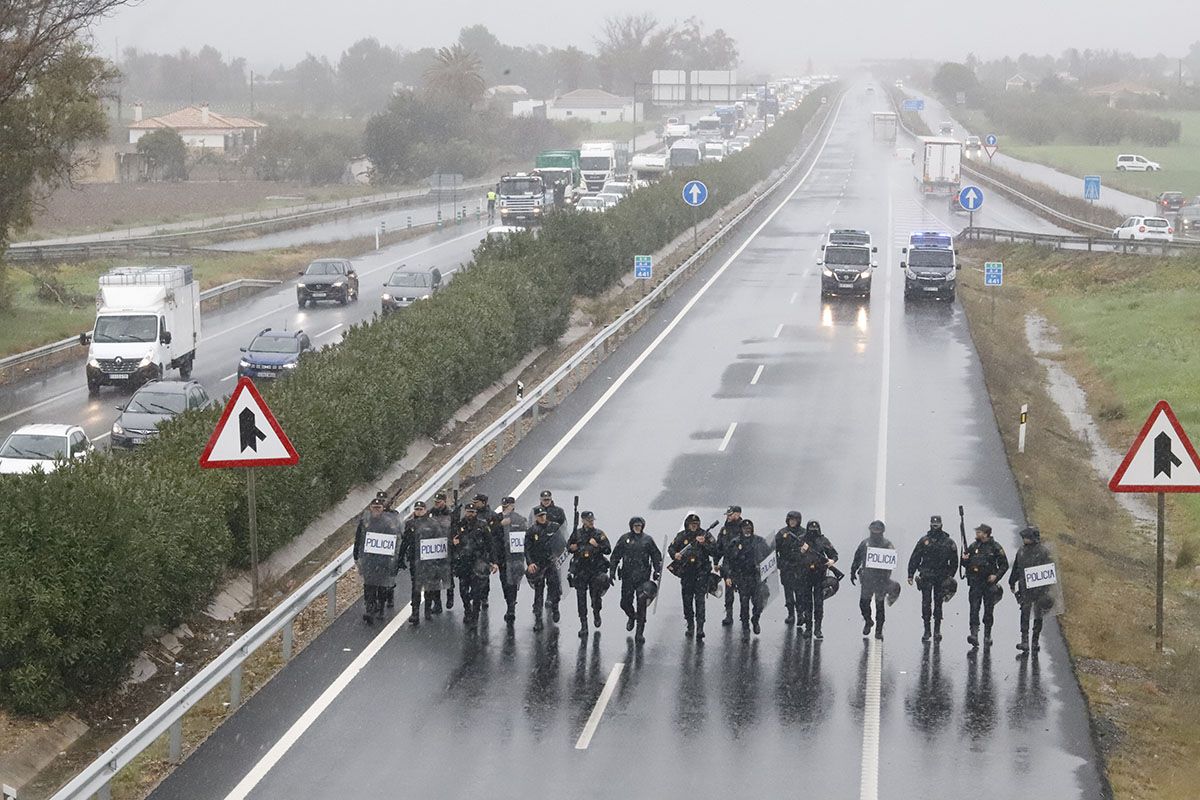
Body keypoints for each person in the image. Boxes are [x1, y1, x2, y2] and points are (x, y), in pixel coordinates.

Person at [609, 517, 663, 644]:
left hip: (643, 578)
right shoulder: (624, 539)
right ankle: (632, 616)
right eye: (635, 525)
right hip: (627, 577)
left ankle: (640, 632)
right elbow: (615, 556)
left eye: (639, 525)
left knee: (641, 602)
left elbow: (656, 556)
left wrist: (657, 570)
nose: (637, 527)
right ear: (631, 526)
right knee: (624, 603)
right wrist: (612, 571)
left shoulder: (647, 540)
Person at [907, 515, 959, 642]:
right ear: (930, 524)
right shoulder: (924, 541)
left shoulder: (948, 542)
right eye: (933, 525)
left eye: (937, 525)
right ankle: (927, 630)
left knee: (938, 603)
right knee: (926, 603)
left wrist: (950, 576)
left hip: (941, 576)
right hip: (926, 575)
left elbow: (954, 561)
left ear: (941, 525)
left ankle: (937, 630)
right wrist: (910, 574)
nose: (935, 527)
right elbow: (915, 557)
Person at [353, 492, 403, 625]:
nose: (376, 510)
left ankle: (380, 607)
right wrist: (356, 556)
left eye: (378, 507)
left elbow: (395, 539)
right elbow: (358, 539)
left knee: (382, 586)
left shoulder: (388, 523)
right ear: (370, 508)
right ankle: (370, 609)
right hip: (369, 559)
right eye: (374, 507)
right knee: (368, 585)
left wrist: (395, 559)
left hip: (383, 560)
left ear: (382, 509)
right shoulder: (365, 522)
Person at [668, 513, 717, 639]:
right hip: (686, 573)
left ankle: (700, 627)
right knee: (687, 600)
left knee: (700, 600)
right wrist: (675, 555)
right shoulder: (682, 536)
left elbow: (715, 550)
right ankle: (690, 624)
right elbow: (671, 548)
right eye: (691, 524)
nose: (694, 527)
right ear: (687, 525)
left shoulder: (705, 535)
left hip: (701, 572)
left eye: (696, 524)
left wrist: (704, 543)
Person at [399, 499, 447, 625]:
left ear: (425, 510)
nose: (418, 512)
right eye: (416, 509)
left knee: (429, 587)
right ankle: (415, 613)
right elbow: (405, 542)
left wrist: (441, 560)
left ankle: (427, 610)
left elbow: (439, 541)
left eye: (421, 509)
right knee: (416, 586)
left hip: (429, 561)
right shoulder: (410, 524)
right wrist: (400, 558)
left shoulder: (433, 524)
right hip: (415, 560)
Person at [961, 523, 1009, 648]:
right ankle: (974, 634)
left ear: (986, 534)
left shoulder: (995, 547)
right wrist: (965, 559)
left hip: (988, 583)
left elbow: (1004, 565)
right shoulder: (973, 546)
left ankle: (987, 635)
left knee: (988, 610)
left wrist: (996, 576)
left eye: (979, 532)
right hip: (975, 582)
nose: (977, 534)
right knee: (974, 608)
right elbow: (965, 564)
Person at [1009, 526, 1053, 654]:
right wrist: (1012, 581)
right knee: (1025, 613)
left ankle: (1035, 640)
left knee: (1038, 615)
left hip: (1039, 590)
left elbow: (1049, 571)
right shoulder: (1021, 551)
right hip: (1025, 589)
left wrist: (1046, 588)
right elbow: (1017, 568)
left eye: (1026, 537)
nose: (1024, 539)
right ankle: (1024, 641)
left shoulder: (1043, 552)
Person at [567, 511, 611, 638]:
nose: (591, 522)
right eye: (588, 520)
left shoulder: (598, 534)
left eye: (592, 520)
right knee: (581, 599)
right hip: (581, 570)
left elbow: (608, 549)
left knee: (596, 596)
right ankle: (584, 625)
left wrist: (597, 545)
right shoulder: (577, 533)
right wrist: (572, 547)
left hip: (595, 569)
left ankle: (596, 612)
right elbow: (568, 547)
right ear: (583, 521)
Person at [851, 520, 896, 640]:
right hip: (867, 579)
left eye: (878, 530)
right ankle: (868, 620)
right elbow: (857, 558)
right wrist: (853, 571)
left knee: (880, 605)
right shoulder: (865, 544)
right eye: (874, 530)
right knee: (863, 603)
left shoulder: (887, 545)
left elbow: (892, 562)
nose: (876, 532)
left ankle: (879, 630)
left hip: (881, 580)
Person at [796, 520, 839, 640]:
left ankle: (818, 628)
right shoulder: (801, 539)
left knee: (819, 603)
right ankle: (809, 628)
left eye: (815, 529)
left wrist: (832, 561)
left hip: (819, 575)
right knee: (807, 603)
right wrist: (801, 551)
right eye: (811, 529)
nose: (813, 532)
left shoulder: (823, 540)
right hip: (805, 575)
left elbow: (834, 554)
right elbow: (793, 556)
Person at [725, 519, 769, 635]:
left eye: (749, 528)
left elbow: (769, 556)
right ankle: (745, 628)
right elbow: (728, 560)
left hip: (757, 578)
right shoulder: (735, 543)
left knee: (759, 603)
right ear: (741, 529)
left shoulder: (759, 541)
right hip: (742, 577)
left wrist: (766, 571)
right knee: (744, 604)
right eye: (745, 528)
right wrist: (728, 576)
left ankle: (755, 619)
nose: (747, 530)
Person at [525, 506, 563, 631]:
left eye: (544, 515)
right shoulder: (531, 531)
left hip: (551, 563)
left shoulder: (554, 527)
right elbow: (527, 550)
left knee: (555, 587)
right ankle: (538, 620)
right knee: (538, 592)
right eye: (540, 516)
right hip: (538, 564)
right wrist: (530, 563)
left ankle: (556, 608)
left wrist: (558, 556)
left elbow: (561, 543)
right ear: (536, 517)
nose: (542, 518)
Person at [493, 496, 527, 626]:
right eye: (503, 506)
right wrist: (499, 525)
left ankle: (511, 607)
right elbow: (491, 534)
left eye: (507, 506)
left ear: (513, 505)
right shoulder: (497, 519)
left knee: (512, 581)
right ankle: (509, 601)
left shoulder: (519, 519)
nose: (505, 508)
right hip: (502, 557)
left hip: (515, 557)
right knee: (504, 582)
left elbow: (526, 535)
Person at [714, 505, 744, 626]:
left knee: (743, 591)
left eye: (731, 514)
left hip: (741, 563)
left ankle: (744, 614)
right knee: (728, 591)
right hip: (727, 563)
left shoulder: (744, 528)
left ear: (738, 514)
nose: (729, 517)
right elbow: (719, 547)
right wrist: (716, 562)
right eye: (728, 515)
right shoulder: (724, 530)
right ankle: (729, 615)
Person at [775, 511, 805, 626]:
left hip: (800, 567)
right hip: (786, 567)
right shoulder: (782, 533)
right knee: (788, 592)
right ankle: (791, 614)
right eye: (790, 519)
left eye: (795, 520)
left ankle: (800, 614)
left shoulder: (804, 533)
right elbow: (774, 551)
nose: (792, 522)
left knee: (800, 592)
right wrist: (780, 564)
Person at [472, 493, 501, 610]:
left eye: (476, 502)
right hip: (473, 551)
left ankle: (484, 597)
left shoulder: (492, 516)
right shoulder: (472, 515)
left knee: (484, 576)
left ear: (483, 503)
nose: (474, 504)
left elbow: (495, 535)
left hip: (485, 552)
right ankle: (475, 597)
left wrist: (493, 556)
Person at [428, 490, 456, 611]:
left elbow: (454, 530)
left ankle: (450, 597)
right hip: (434, 548)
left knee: (447, 576)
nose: (437, 504)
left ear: (444, 502)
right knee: (434, 578)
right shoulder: (431, 513)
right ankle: (437, 603)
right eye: (435, 502)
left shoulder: (450, 514)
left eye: (439, 502)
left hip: (447, 548)